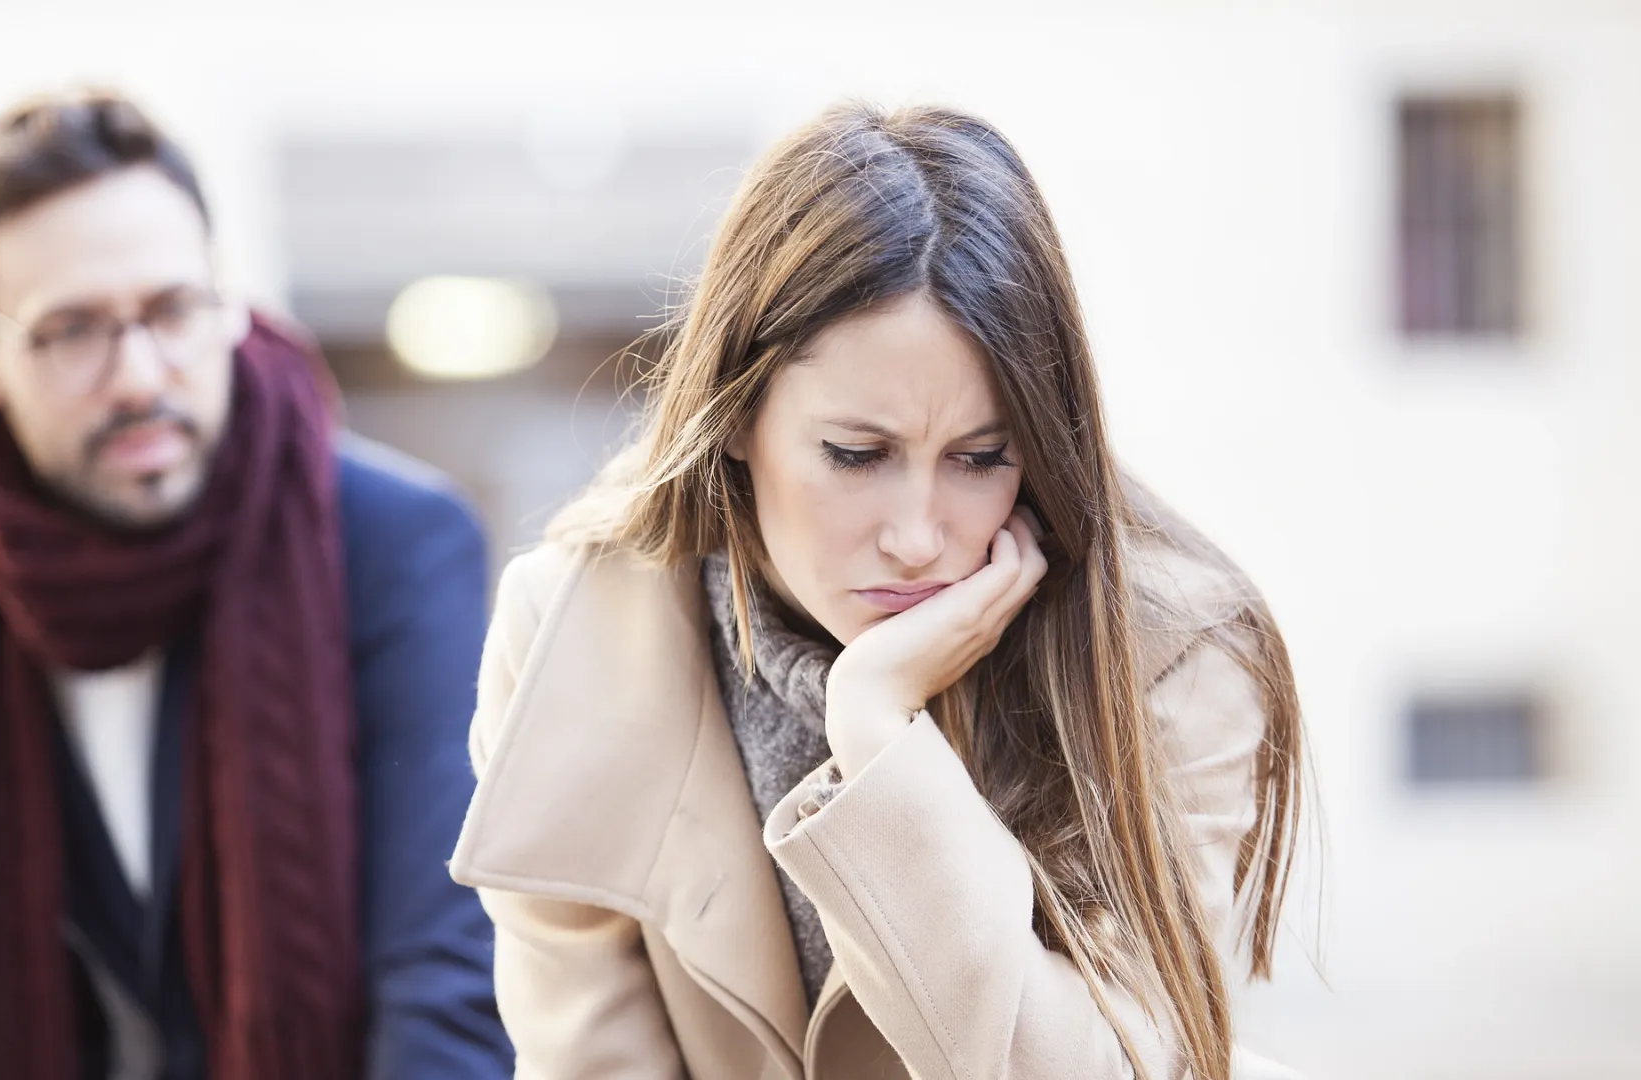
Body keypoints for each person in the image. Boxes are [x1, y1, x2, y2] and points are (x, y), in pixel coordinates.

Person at [450, 102, 1307, 1079]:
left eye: (981, 458)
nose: (916, 537)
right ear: (735, 412)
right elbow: (588, 1056)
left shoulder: (1166, 659)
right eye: (857, 455)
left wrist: (881, 743)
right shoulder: (576, 629)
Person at [0, 89, 511, 1080]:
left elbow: (442, 980)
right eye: (73, 331)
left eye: (173, 309)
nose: (139, 376)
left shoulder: (395, 545)